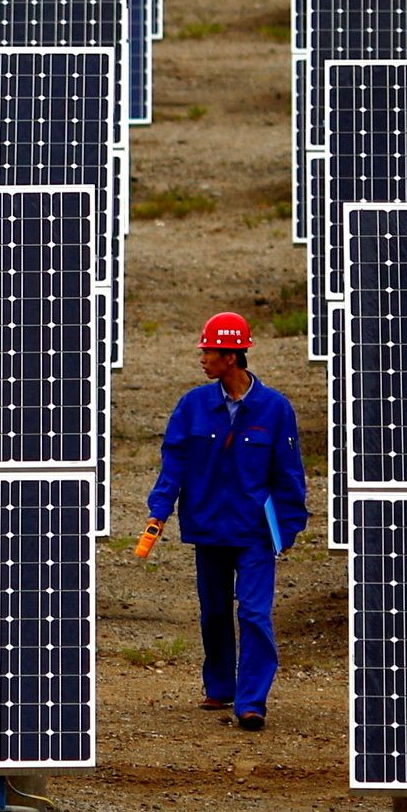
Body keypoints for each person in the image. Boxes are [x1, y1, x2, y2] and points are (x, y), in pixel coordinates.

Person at [139, 311, 307, 730]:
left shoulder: (275, 408)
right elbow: (173, 463)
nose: (202, 358)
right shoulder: (193, 406)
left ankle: (251, 702)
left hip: (254, 532)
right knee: (214, 612)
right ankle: (220, 686)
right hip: (209, 527)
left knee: (253, 613)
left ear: (231, 357)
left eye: (209, 351)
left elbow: (289, 471)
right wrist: (160, 509)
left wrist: (288, 527)